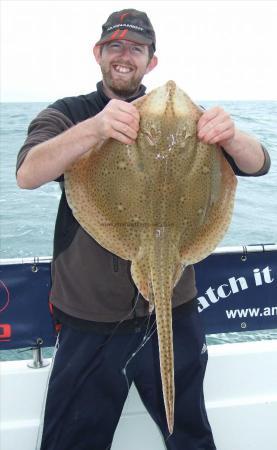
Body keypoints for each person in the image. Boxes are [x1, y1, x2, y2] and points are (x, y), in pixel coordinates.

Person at [16, 8, 270, 450]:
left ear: (151, 61)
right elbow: (28, 172)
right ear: (98, 54)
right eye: (115, 46)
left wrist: (230, 136)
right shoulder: (72, 113)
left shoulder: (189, 119)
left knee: (189, 436)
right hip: (91, 321)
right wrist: (95, 130)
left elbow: (259, 163)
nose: (124, 55)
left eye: (136, 48)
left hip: (176, 309)